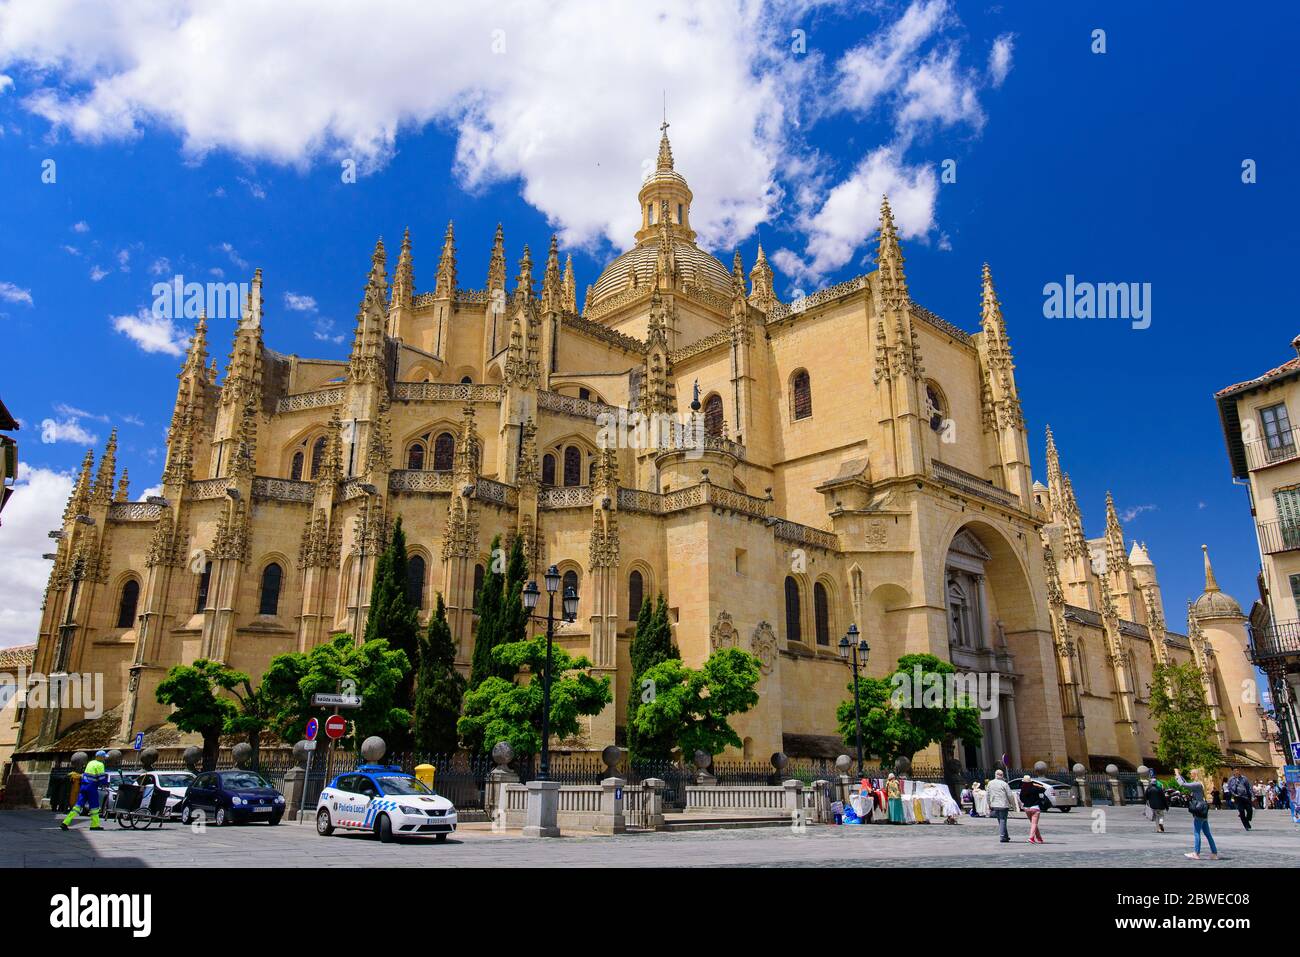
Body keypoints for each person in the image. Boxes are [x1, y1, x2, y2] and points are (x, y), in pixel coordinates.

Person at [1174, 768, 1217, 861]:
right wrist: (1180, 775)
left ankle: (1196, 853)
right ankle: (1214, 853)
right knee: (1207, 833)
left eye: (1191, 774)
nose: (1190, 775)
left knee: (1197, 832)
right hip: (1203, 809)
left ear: (1195, 774)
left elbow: (1183, 784)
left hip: (1199, 809)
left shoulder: (1197, 784)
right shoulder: (1200, 784)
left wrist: (1177, 774)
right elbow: (1187, 783)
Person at [60, 751, 108, 831]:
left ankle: (65, 822)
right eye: (104, 757)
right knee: (94, 807)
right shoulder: (100, 764)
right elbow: (101, 777)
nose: (104, 758)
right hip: (92, 787)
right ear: (100, 757)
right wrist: (105, 784)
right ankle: (95, 825)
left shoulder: (90, 763)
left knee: (77, 806)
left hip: (83, 786)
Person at [986, 769, 1017, 843]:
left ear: (995, 775)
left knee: (1000, 820)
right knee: (1003, 820)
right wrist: (1013, 805)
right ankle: (1003, 836)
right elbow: (1010, 795)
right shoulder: (1004, 784)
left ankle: (1005, 836)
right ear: (1002, 775)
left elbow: (987, 794)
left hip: (994, 804)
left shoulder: (990, 783)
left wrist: (989, 803)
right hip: (1003, 804)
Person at [1020, 775, 1046, 844]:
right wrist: (1036, 784)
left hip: (1026, 808)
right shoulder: (1034, 788)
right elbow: (1043, 789)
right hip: (1035, 808)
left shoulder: (1023, 789)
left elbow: (1021, 799)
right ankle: (1031, 838)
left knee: (1033, 824)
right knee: (1034, 824)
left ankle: (1039, 839)